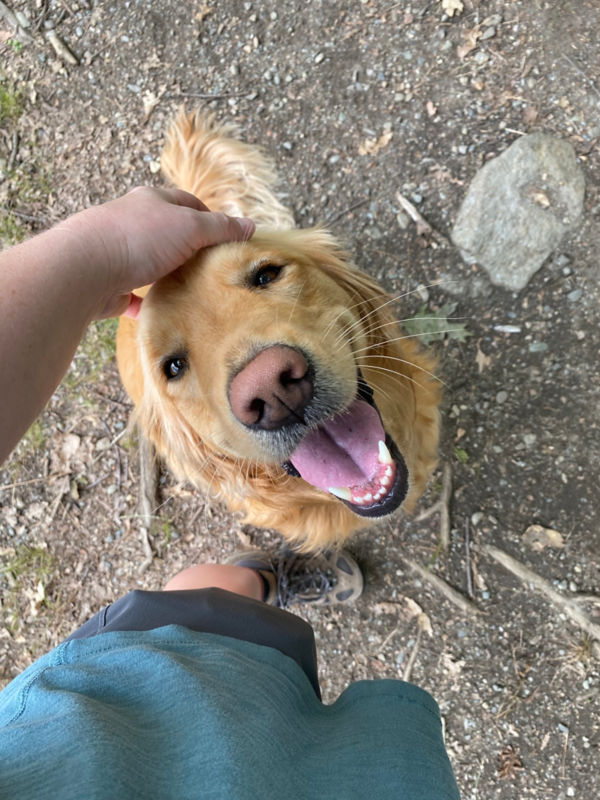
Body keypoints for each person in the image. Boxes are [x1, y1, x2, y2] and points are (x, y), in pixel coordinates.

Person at [0, 188, 460, 799]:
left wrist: (98, 250)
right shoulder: (206, 451)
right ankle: (263, 583)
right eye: (174, 365)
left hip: (85, 727)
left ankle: (258, 580)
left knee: (192, 623)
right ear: (193, 444)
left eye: (265, 274)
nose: (262, 380)